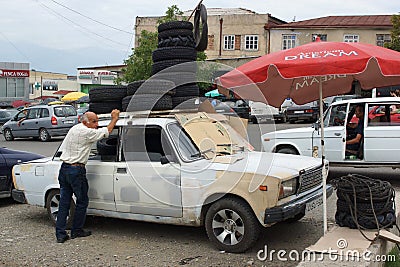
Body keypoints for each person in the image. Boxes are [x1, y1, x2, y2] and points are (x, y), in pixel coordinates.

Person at [55, 109, 120, 243]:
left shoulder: (75, 128)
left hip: (65, 168)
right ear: (85, 122)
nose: (96, 124)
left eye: (97, 121)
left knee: (64, 202)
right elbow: (106, 132)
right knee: (82, 201)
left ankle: (60, 234)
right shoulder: (86, 132)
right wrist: (114, 118)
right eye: (94, 121)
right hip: (76, 170)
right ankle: (76, 230)